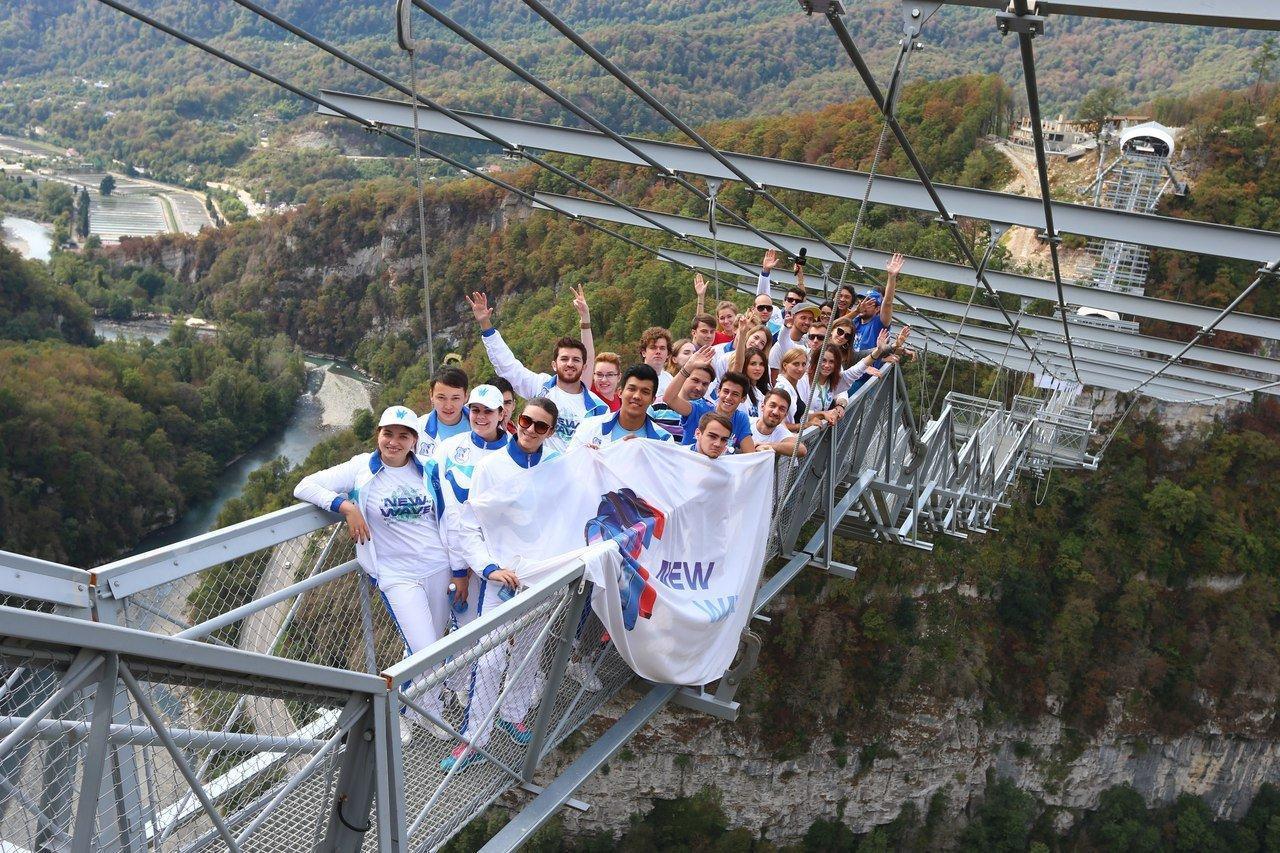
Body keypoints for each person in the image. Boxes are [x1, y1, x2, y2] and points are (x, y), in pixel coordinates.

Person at [293, 406, 452, 743]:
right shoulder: (361, 468)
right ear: (378, 434)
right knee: (424, 649)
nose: (393, 442)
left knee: (433, 646)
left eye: (403, 436)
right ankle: (419, 711)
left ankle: (418, 708)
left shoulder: (428, 469)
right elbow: (305, 485)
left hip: (438, 567)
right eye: (388, 434)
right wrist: (345, 506)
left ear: (414, 441)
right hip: (397, 574)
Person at [443, 397, 563, 771]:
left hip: (541, 574)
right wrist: (487, 567)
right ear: (516, 418)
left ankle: (512, 714)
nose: (529, 429)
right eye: (526, 420)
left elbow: (570, 511)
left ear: (551, 432)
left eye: (540, 426)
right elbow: (468, 524)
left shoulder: (558, 467)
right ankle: (475, 738)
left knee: (531, 648)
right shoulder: (490, 467)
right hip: (502, 577)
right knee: (491, 658)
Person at [468, 291, 606, 453]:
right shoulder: (540, 388)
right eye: (564, 359)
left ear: (584, 367)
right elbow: (508, 366)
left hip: (578, 476)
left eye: (576, 360)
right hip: (538, 471)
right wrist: (485, 324)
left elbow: (606, 448)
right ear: (554, 364)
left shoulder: (599, 408)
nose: (570, 364)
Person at [434, 385, 511, 622]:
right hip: (459, 556)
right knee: (464, 629)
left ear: (501, 414)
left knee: (496, 631)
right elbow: (444, 509)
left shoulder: (516, 450)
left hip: (501, 557)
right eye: (475, 410)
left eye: (488, 411)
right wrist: (458, 569)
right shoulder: (449, 448)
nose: (480, 417)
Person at [663, 348, 756, 453]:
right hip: (689, 465)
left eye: (735, 394)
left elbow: (750, 454)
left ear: (743, 399)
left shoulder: (740, 419)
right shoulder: (699, 408)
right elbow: (668, 399)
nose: (728, 397)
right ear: (718, 391)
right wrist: (688, 367)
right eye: (726, 391)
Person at [570, 364, 673, 448]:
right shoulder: (589, 427)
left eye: (645, 392)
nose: (637, 396)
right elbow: (569, 465)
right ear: (620, 392)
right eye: (631, 389)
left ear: (653, 400)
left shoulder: (664, 440)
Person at [416, 367, 470, 459]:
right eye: (441, 398)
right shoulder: (417, 428)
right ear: (431, 395)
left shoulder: (482, 427)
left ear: (465, 396)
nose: (448, 406)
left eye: (455, 398)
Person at [768, 303, 818, 381]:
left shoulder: (807, 344)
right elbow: (773, 379)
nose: (807, 322)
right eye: (803, 318)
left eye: (810, 319)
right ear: (793, 317)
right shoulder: (779, 347)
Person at [751, 388, 807, 457]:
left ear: (785, 415)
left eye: (782, 409)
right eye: (772, 406)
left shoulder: (781, 431)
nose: (775, 412)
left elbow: (802, 450)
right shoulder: (747, 422)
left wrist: (767, 446)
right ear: (762, 407)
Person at [773, 347, 810, 430]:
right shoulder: (781, 390)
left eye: (803, 364)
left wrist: (822, 414)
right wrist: (806, 425)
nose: (800, 369)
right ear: (785, 365)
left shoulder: (796, 385)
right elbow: (777, 424)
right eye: (796, 364)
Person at [638, 326, 674, 396]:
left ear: (668, 354)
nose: (658, 352)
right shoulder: (635, 377)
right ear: (644, 352)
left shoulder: (670, 379)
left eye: (662, 348)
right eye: (653, 348)